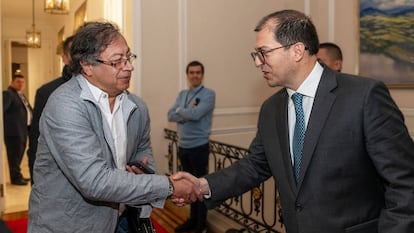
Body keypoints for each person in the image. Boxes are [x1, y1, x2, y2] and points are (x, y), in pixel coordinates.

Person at [173, 9, 414, 233]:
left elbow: (404, 183)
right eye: (256, 55)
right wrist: (203, 185)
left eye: (263, 53)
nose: (257, 62)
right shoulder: (271, 109)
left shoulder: (363, 96)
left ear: (297, 50)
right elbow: (256, 164)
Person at [28, 21, 199, 233]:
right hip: (70, 225)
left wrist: (148, 178)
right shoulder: (65, 105)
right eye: (117, 61)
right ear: (87, 65)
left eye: (129, 57)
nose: (129, 66)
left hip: (122, 219)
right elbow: (95, 181)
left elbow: (143, 156)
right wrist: (169, 187)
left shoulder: (137, 107)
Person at [167, 60, 215, 233]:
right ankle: (192, 220)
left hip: (199, 147)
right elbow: (170, 115)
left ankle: (201, 224)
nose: (194, 75)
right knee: (188, 188)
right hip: (183, 146)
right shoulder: (182, 94)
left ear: (202, 75)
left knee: (200, 187)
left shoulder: (209, 94)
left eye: (198, 72)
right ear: (187, 75)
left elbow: (196, 115)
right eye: (191, 72)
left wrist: (181, 111)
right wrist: (186, 111)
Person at [27, 35, 74, 185]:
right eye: (75, 53)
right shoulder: (47, 92)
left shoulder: (107, 91)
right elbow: (36, 138)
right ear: (65, 58)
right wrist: (36, 180)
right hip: (57, 179)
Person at [3, 73, 33, 185]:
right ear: (12, 82)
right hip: (13, 132)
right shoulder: (8, 94)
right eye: (18, 82)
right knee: (14, 156)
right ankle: (15, 179)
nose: (21, 84)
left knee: (19, 154)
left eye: (22, 82)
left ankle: (18, 175)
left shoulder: (21, 95)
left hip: (23, 130)